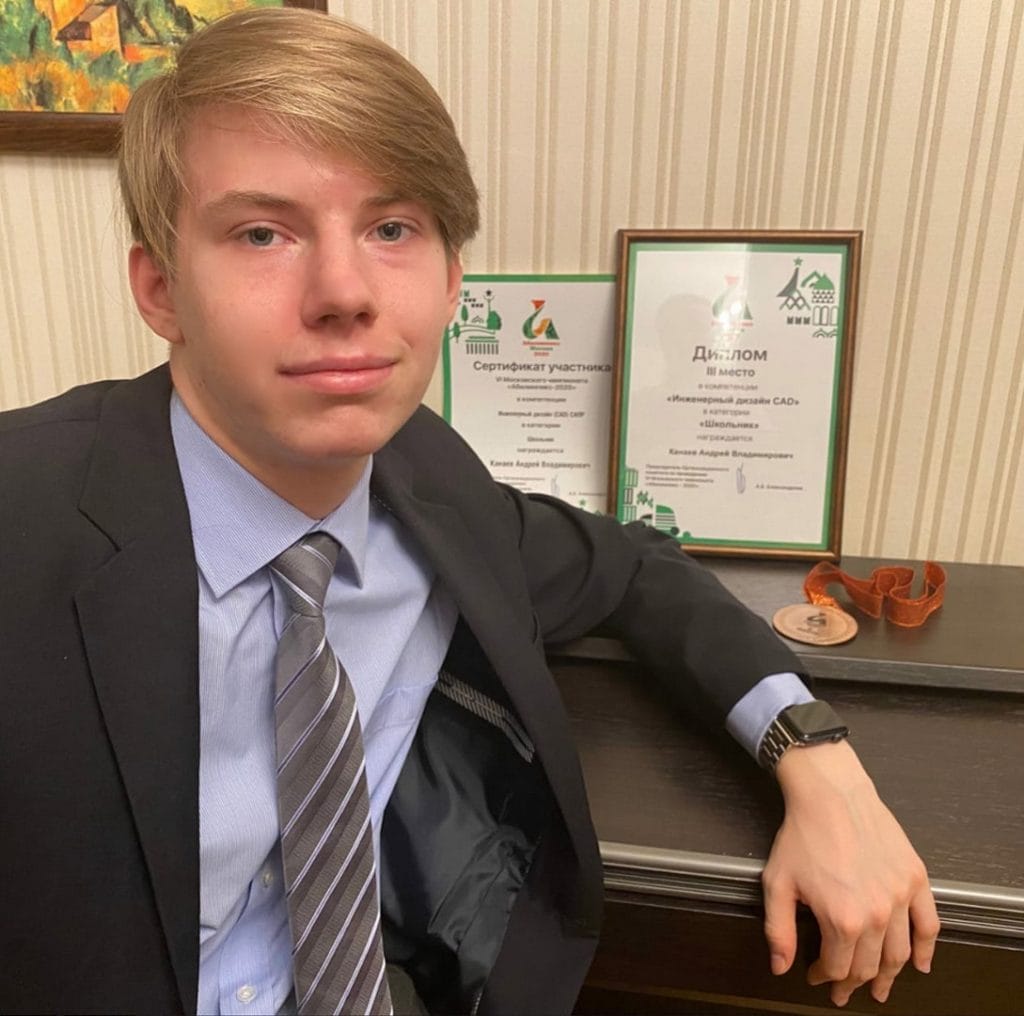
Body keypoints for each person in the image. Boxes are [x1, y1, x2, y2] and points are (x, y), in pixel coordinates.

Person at [0, 7, 938, 1015]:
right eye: (262, 232)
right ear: (159, 288)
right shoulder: (27, 518)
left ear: (453, 280)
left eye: (391, 228)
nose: (343, 291)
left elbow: (633, 565)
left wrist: (816, 758)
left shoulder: (430, 482)